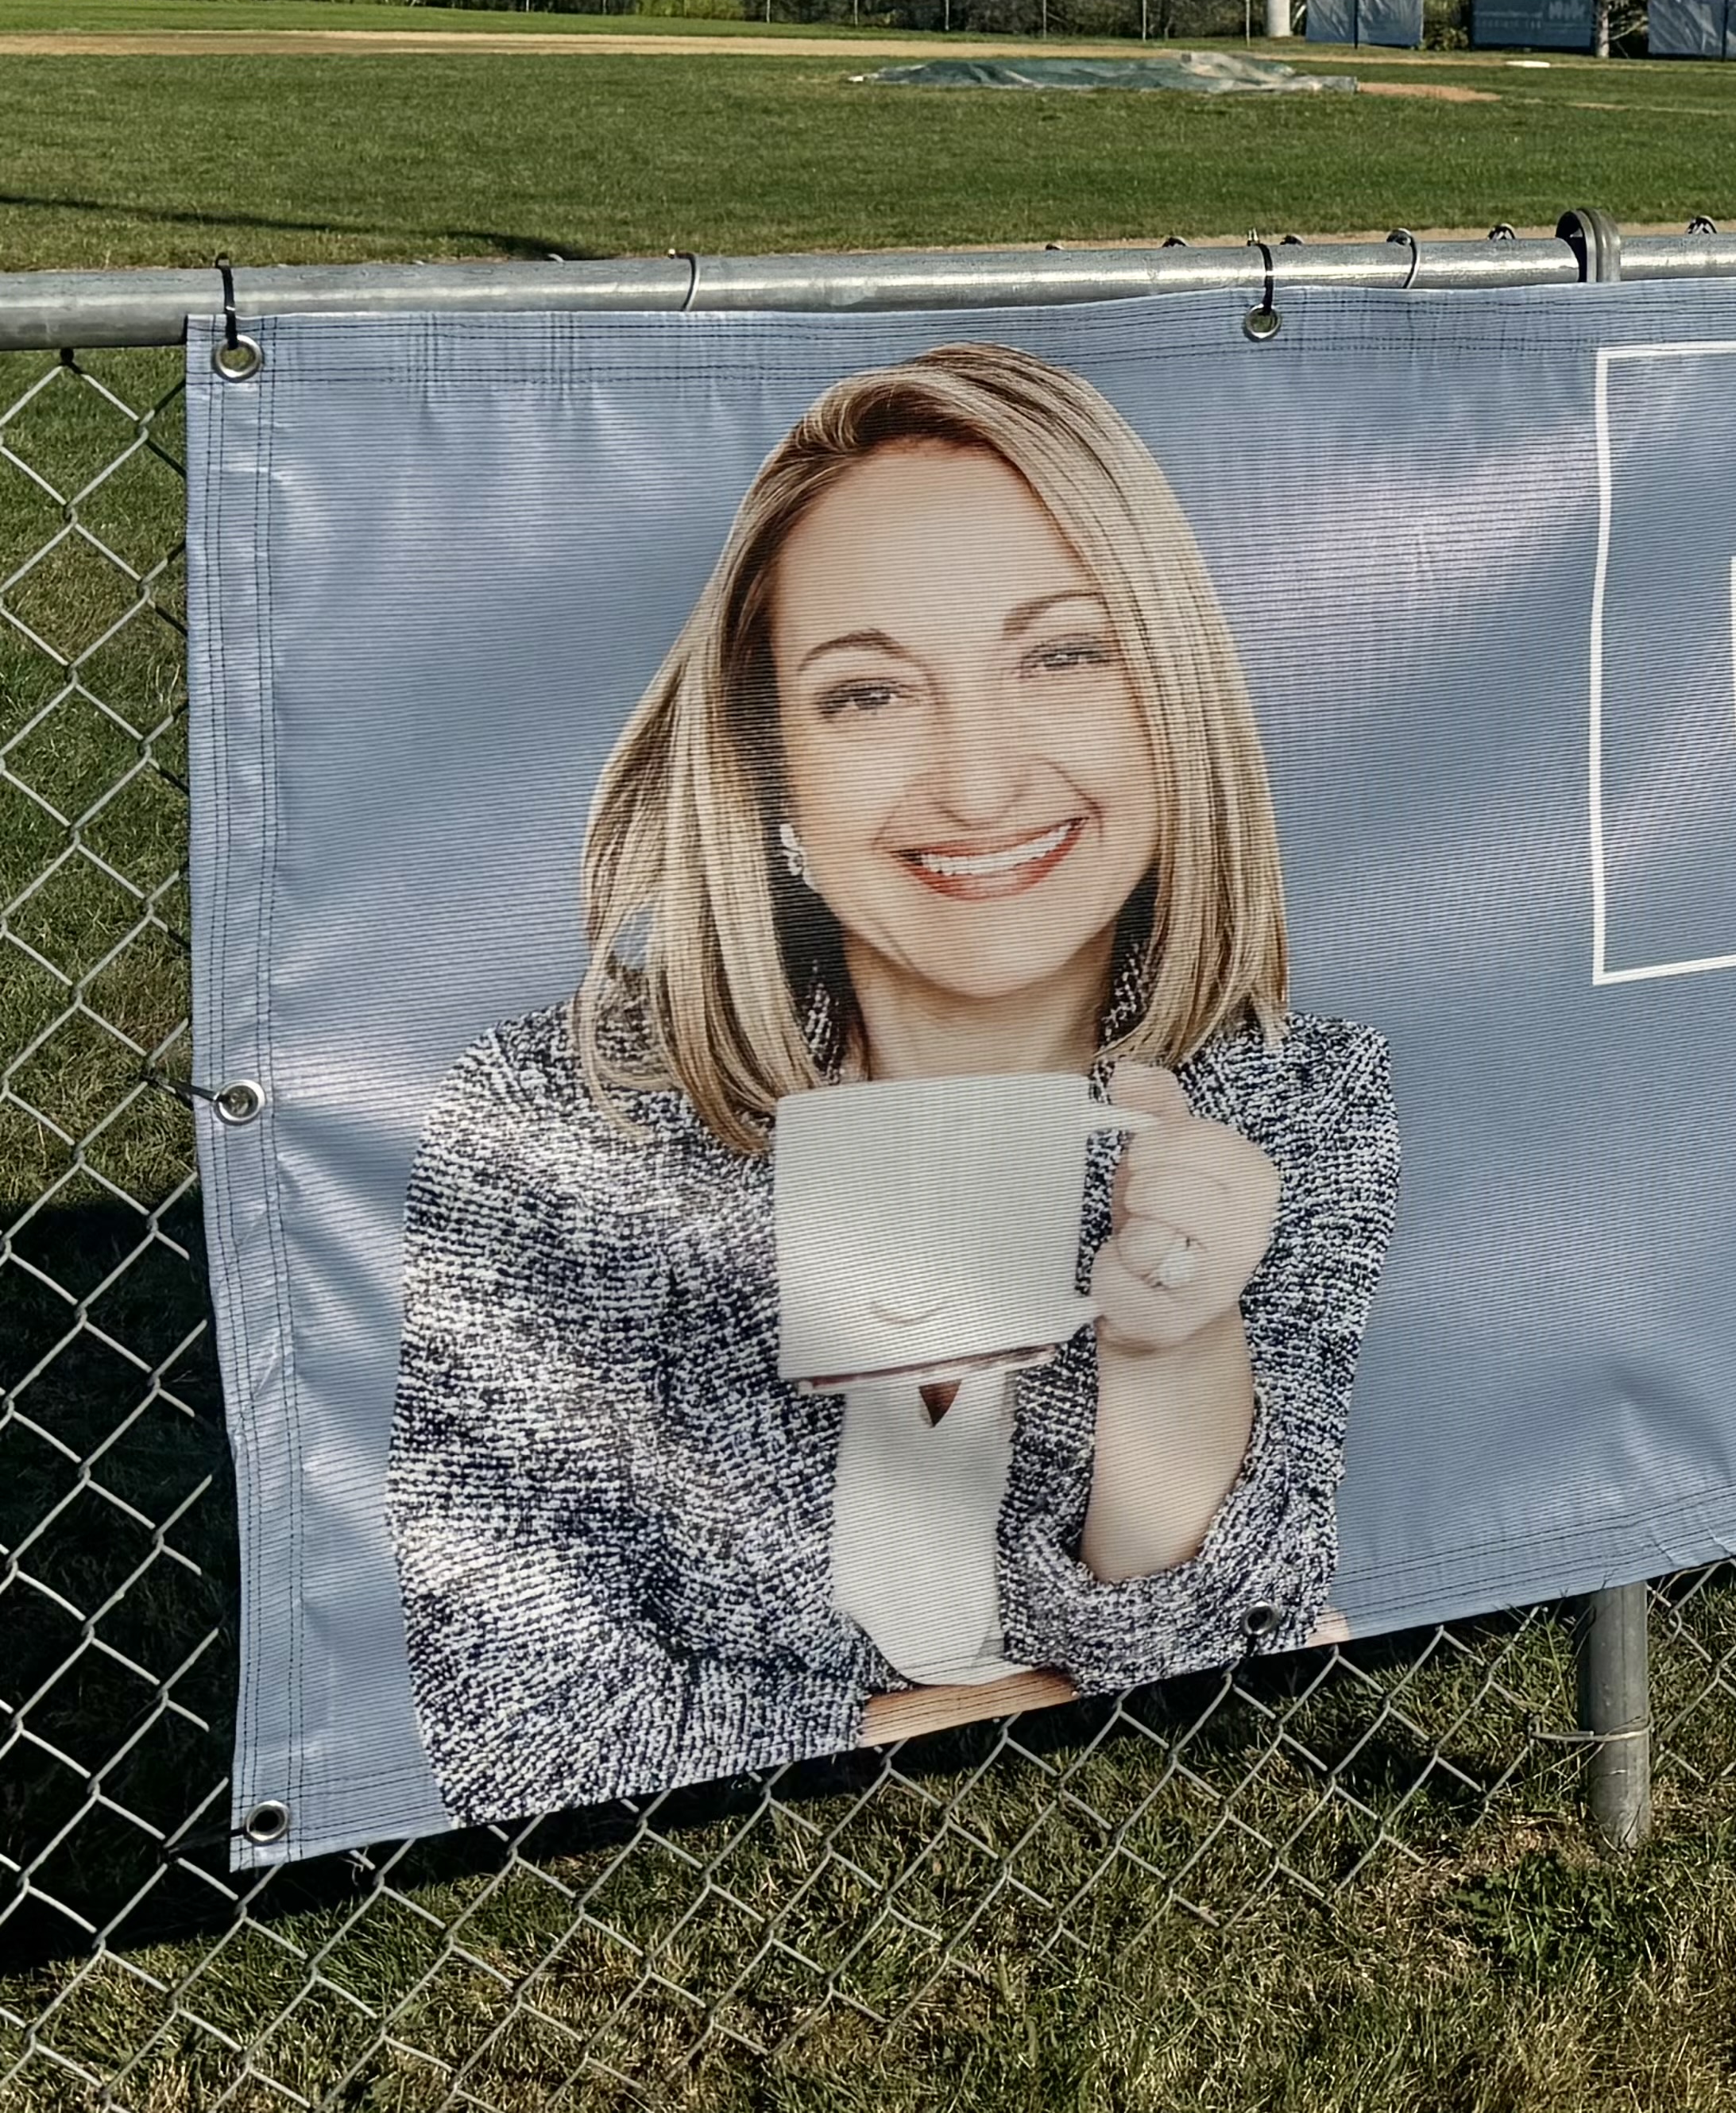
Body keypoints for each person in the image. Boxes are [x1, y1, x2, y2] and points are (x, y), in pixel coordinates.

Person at [388, 343, 1401, 1822]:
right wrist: (1016, 1713)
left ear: (1169, 702)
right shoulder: (562, 1119)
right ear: (770, 753)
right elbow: (521, 1727)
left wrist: (1173, 1350)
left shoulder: (1296, 1107)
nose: (980, 786)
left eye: (1062, 656)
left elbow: (1208, 1656)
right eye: (867, 695)